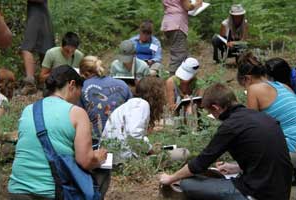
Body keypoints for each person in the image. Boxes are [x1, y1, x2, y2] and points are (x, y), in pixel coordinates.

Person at [159, 83, 293, 200]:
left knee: (187, 184)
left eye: (211, 112)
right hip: (281, 192)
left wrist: (170, 178)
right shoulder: (262, 116)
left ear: (216, 108)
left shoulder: (231, 126)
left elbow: (200, 163)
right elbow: (264, 155)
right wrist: (236, 167)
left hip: (257, 193)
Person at [8, 65, 108, 200]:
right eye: (80, 90)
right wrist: (98, 157)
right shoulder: (77, 113)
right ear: (72, 84)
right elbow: (85, 161)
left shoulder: (28, 109)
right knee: (103, 172)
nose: (79, 98)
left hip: (17, 190)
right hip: (50, 192)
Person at [237, 52, 296, 167]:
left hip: (292, 149)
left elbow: (252, 130)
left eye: (244, 85)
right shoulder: (283, 86)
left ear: (247, 79)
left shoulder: (253, 89)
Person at [102, 76, 165, 159]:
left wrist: (148, 144)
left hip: (114, 154)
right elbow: (134, 135)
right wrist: (150, 149)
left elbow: (132, 133)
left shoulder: (133, 104)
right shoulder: (141, 105)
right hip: (123, 158)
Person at [80, 55, 132, 137]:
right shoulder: (122, 84)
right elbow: (131, 111)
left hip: (95, 140)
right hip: (122, 137)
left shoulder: (81, 88)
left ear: (84, 73)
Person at [21, 0, 55, 95]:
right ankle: (47, 83)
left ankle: (31, 84)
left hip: (38, 15)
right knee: (44, 49)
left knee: (27, 48)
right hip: (39, 15)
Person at [161, 0, 203, 75]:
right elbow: (188, 6)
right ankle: (173, 81)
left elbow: (165, 6)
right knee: (178, 55)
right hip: (177, 24)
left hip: (168, 22)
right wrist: (197, 3)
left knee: (179, 53)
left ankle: (182, 78)